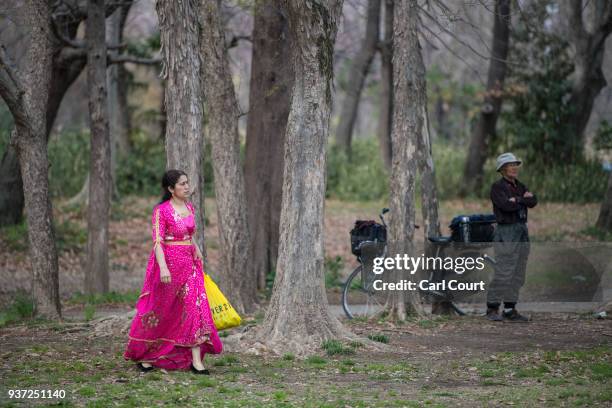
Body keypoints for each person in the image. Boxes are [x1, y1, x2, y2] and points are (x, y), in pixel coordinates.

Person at [124, 169, 222, 373]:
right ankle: (148, 355)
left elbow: (189, 234)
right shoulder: (162, 211)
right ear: (171, 189)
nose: (187, 187)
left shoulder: (190, 207)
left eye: (187, 183)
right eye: (182, 184)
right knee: (163, 311)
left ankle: (197, 361)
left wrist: (197, 248)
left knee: (195, 308)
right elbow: (158, 242)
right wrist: (164, 268)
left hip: (190, 265)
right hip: (170, 266)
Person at [486, 153, 537, 322]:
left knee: (518, 272)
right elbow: (506, 206)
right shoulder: (497, 187)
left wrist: (518, 199)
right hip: (506, 232)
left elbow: (533, 201)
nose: (514, 167)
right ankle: (492, 309)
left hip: (522, 230)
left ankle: (510, 309)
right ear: (502, 169)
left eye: (516, 164)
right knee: (505, 270)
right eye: (510, 165)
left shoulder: (520, 186)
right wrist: (521, 200)